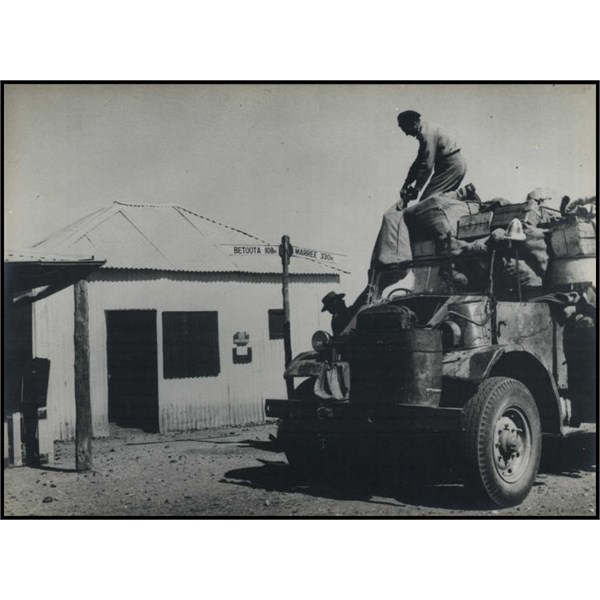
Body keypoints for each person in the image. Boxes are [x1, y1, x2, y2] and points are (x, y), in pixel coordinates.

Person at [397, 110, 467, 205]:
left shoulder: (427, 134)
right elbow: (418, 163)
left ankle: (463, 194)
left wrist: (417, 189)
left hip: (451, 166)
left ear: (413, 124)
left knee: (426, 202)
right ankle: (462, 195)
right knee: (438, 199)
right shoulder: (426, 130)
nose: (406, 134)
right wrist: (406, 184)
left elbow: (427, 165)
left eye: (406, 130)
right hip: (452, 165)